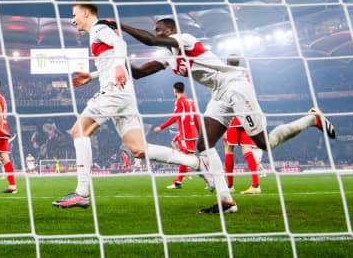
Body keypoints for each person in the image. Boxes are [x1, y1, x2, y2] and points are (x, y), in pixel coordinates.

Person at [119, 18, 337, 214]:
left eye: (158, 30)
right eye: (154, 30)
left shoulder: (184, 39)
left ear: (169, 31)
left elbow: (149, 41)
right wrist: (116, 59)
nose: (155, 33)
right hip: (220, 95)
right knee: (204, 145)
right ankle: (226, 201)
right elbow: (139, 73)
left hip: (236, 87)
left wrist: (119, 26)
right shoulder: (169, 57)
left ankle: (312, 118)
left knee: (265, 144)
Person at [55, 0, 210, 209]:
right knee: (138, 150)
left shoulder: (99, 27)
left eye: (74, 15)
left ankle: (82, 192)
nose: (72, 20)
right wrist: (91, 76)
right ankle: (197, 163)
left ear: (85, 13)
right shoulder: (99, 32)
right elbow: (111, 60)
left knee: (78, 132)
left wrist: (119, 66)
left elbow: (121, 46)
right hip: (123, 94)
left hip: (113, 91)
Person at [222, 56, 265, 195]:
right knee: (247, 149)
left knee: (229, 148)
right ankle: (255, 185)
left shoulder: (226, 78)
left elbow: (224, 100)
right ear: (239, 64)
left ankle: (229, 186)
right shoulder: (247, 79)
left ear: (226, 64)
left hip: (233, 118)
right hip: (247, 117)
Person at [153, 82, 199, 189]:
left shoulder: (180, 101)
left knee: (187, 158)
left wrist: (161, 127)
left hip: (185, 134)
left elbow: (175, 117)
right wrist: (200, 132)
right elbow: (196, 117)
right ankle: (178, 182)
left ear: (175, 90)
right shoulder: (190, 101)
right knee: (184, 157)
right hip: (192, 133)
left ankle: (208, 176)